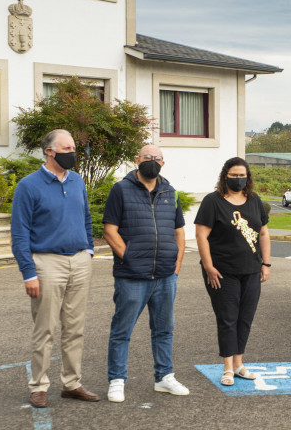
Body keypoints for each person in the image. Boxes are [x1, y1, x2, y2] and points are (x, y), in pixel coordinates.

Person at [10, 129, 100, 408]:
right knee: (45, 328)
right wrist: (29, 272)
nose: (73, 152)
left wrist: (89, 250)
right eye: (67, 147)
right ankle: (38, 386)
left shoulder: (77, 181)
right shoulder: (28, 185)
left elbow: (86, 217)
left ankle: (72, 384)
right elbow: (19, 233)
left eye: (74, 147)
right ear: (50, 151)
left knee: (75, 329)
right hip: (46, 263)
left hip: (79, 261)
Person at [102, 144, 188, 403]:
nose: (152, 161)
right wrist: (127, 257)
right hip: (131, 276)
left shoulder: (170, 192)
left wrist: (177, 263)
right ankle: (117, 380)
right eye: (147, 157)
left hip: (165, 275)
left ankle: (164, 377)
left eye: (157, 158)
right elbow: (109, 230)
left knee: (164, 330)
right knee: (122, 330)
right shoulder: (120, 189)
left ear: (163, 163)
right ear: (137, 159)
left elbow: (179, 231)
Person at [195, 157, 271, 386]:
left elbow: (264, 233)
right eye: (234, 175)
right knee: (227, 318)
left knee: (245, 318)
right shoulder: (213, 201)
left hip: (251, 271)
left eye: (242, 175)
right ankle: (227, 367)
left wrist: (266, 264)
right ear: (225, 176)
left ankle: (239, 364)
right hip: (221, 272)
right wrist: (208, 266)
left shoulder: (254, 200)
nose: (238, 179)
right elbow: (201, 236)